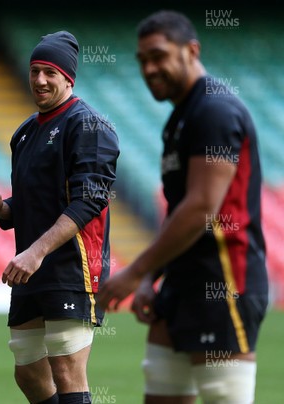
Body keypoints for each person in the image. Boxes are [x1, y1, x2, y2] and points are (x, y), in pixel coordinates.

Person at [97, 10, 268, 404]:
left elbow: (200, 208)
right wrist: (150, 278)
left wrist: (135, 271)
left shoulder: (214, 110)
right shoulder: (179, 118)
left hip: (223, 281)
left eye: (159, 56)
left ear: (192, 51)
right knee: (161, 390)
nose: (149, 69)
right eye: (142, 61)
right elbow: (179, 211)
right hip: (181, 283)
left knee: (223, 397)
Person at [0, 31, 119, 404]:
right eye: (35, 70)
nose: (40, 79)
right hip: (32, 266)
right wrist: (2, 209)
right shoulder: (24, 133)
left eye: (50, 72)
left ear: (68, 78)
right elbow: (33, 201)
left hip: (72, 266)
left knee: (67, 368)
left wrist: (36, 252)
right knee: (28, 371)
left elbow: (89, 202)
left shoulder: (89, 126)